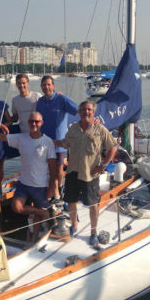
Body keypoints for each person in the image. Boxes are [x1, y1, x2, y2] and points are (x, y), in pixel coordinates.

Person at [0, 111, 56, 242]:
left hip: (40, 185)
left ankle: (34, 238)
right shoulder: (21, 138)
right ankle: (45, 212)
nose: (34, 124)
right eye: (31, 121)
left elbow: (53, 167)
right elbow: (0, 137)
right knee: (16, 207)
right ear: (28, 122)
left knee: (37, 216)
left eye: (37, 121)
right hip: (24, 183)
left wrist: (52, 187)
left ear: (42, 123)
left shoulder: (48, 142)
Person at [54, 101, 117, 246]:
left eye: (89, 109)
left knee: (93, 204)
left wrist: (103, 165)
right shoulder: (73, 128)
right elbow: (64, 143)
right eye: (83, 109)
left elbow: (113, 147)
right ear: (79, 112)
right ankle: (74, 225)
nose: (86, 112)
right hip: (72, 172)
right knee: (71, 201)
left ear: (93, 112)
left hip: (90, 174)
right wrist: (46, 140)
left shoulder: (100, 129)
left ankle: (93, 232)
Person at [36, 75, 78, 202]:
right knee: (48, 168)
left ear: (53, 86)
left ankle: (59, 191)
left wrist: (92, 120)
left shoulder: (61, 98)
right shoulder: (40, 102)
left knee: (59, 169)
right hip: (44, 141)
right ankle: (52, 192)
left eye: (49, 84)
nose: (46, 87)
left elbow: (78, 110)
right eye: (44, 85)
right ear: (41, 87)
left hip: (60, 141)